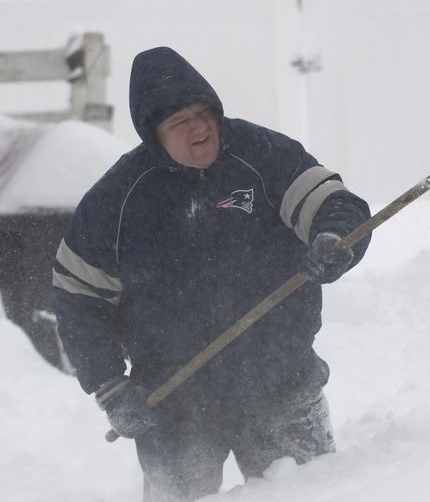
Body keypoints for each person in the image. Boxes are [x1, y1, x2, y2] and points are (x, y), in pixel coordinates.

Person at [51, 47, 372, 501]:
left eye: (204, 113)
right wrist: (109, 386)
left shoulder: (263, 155)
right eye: (180, 121)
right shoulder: (117, 200)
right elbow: (78, 296)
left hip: (280, 380)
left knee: (308, 495)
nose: (199, 127)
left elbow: (331, 202)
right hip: (173, 401)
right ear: (153, 133)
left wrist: (335, 238)